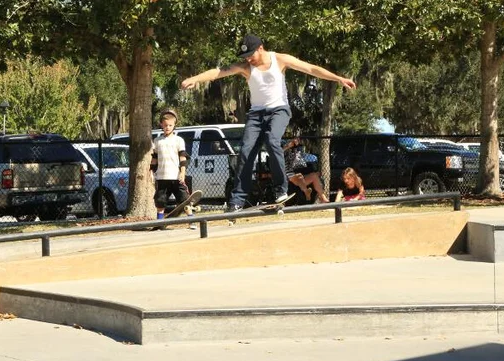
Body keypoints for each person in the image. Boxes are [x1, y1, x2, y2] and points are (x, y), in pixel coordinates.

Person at [181, 34, 356, 211]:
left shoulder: (280, 59)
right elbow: (218, 72)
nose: (249, 59)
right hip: (256, 115)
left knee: (272, 141)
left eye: (251, 55)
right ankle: (237, 200)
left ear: (260, 48)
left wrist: (338, 78)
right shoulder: (245, 67)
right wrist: (195, 79)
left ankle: (281, 190)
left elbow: (310, 68)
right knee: (246, 151)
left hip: (279, 110)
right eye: (245, 56)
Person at [150, 108, 196, 229]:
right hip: (162, 177)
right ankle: (160, 224)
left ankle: (192, 222)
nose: (167, 127)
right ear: (161, 125)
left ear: (174, 125)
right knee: (160, 202)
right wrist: (151, 171)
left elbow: (183, 158)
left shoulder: (178, 140)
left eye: (170, 125)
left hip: (176, 176)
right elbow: (154, 158)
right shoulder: (157, 141)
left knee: (184, 200)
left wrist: (182, 173)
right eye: (165, 125)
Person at [283, 137, 329, 203]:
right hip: (289, 175)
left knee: (314, 176)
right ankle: (306, 191)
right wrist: (288, 146)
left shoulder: (300, 150)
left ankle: (323, 198)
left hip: (300, 177)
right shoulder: (286, 150)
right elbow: (278, 153)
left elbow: (305, 143)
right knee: (299, 176)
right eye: (294, 140)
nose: (296, 141)